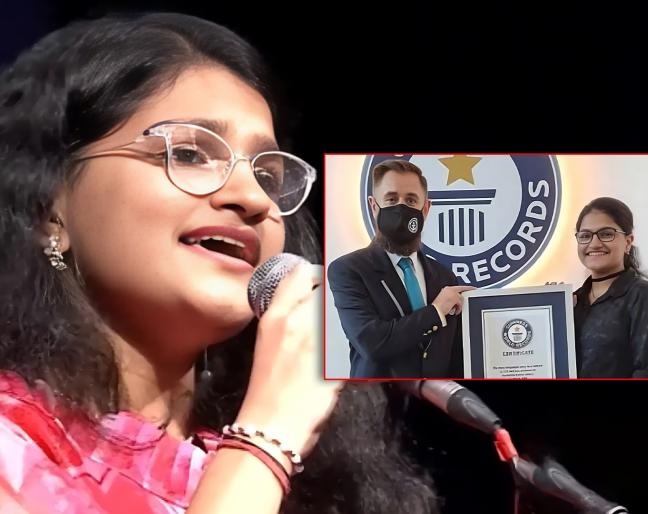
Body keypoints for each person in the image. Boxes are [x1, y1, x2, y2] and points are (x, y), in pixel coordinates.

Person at [0, 13, 440, 513]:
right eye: (190, 154)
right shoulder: (13, 453)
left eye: (268, 177)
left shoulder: (314, 483)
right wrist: (266, 438)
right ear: (49, 206)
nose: (253, 198)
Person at [327, 159, 474, 378]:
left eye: (411, 200)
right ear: (374, 206)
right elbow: (372, 343)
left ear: (425, 209)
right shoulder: (348, 270)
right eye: (391, 199)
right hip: (380, 397)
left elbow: (455, 356)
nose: (401, 208)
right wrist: (436, 311)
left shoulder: (445, 277)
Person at [573, 197, 648, 378]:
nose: (594, 243)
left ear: (628, 242)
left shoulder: (643, 296)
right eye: (585, 236)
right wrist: (552, 311)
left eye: (606, 234)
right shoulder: (573, 302)